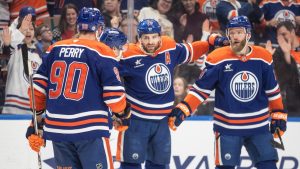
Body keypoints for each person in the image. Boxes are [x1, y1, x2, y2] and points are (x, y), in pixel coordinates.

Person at [169, 16, 287, 169]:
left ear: (248, 35)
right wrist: (184, 108)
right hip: (227, 128)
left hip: (259, 127)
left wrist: (278, 113)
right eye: (232, 32)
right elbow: (201, 89)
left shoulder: (263, 57)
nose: (235, 36)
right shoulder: (218, 58)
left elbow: (272, 89)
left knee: (269, 165)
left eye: (239, 32)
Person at [25, 7, 130, 168]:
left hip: (58, 130)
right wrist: (123, 112)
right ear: (100, 29)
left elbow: (37, 89)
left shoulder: (55, 48)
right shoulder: (102, 51)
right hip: (90, 130)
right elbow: (114, 96)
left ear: (78, 26)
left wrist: (36, 123)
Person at [116, 18, 227, 169]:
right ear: (139, 38)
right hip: (136, 121)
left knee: (160, 164)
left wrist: (210, 43)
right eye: (146, 38)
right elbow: (107, 75)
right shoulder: (128, 55)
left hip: (162, 121)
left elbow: (192, 50)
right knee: (130, 164)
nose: (150, 41)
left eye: (154, 37)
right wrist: (117, 109)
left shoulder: (169, 47)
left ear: (159, 36)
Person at [1, 13, 41, 115]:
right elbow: (8, 47)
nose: (28, 31)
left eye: (31, 29)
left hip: (32, 109)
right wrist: (20, 32)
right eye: (26, 29)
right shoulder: (15, 49)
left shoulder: (39, 56)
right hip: (12, 109)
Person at [265, 21, 300, 116]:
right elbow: (283, 81)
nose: (282, 38)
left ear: (292, 32)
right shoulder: (277, 54)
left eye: (284, 34)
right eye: (279, 36)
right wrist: (286, 55)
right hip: (290, 106)